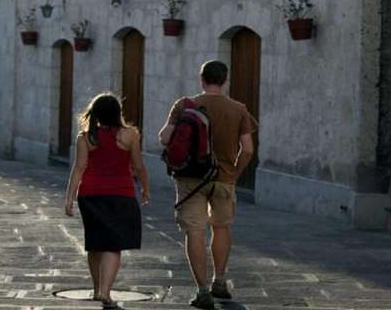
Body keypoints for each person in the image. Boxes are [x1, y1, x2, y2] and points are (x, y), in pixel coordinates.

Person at [159, 61, 256, 310]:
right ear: (225, 81)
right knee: (221, 227)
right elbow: (248, 149)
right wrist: (234, 171)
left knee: (195, 231)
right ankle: (220, 281)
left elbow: (164, 137)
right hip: (224, 178)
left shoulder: (184, 105)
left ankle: (202, 291)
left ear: (201, 79)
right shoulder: (238, 109)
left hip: (190, 178)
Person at [64, 93, 150, 309]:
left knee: (95, 243)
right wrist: (145, 188)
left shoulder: (85, 138)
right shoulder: (130, 135)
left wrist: (69, 197)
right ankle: (105, 291)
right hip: (121, 194)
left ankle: (96, 290)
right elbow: (139, 166)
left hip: (90, 195)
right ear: (118, 113)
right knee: (113, 245)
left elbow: (79, 168)